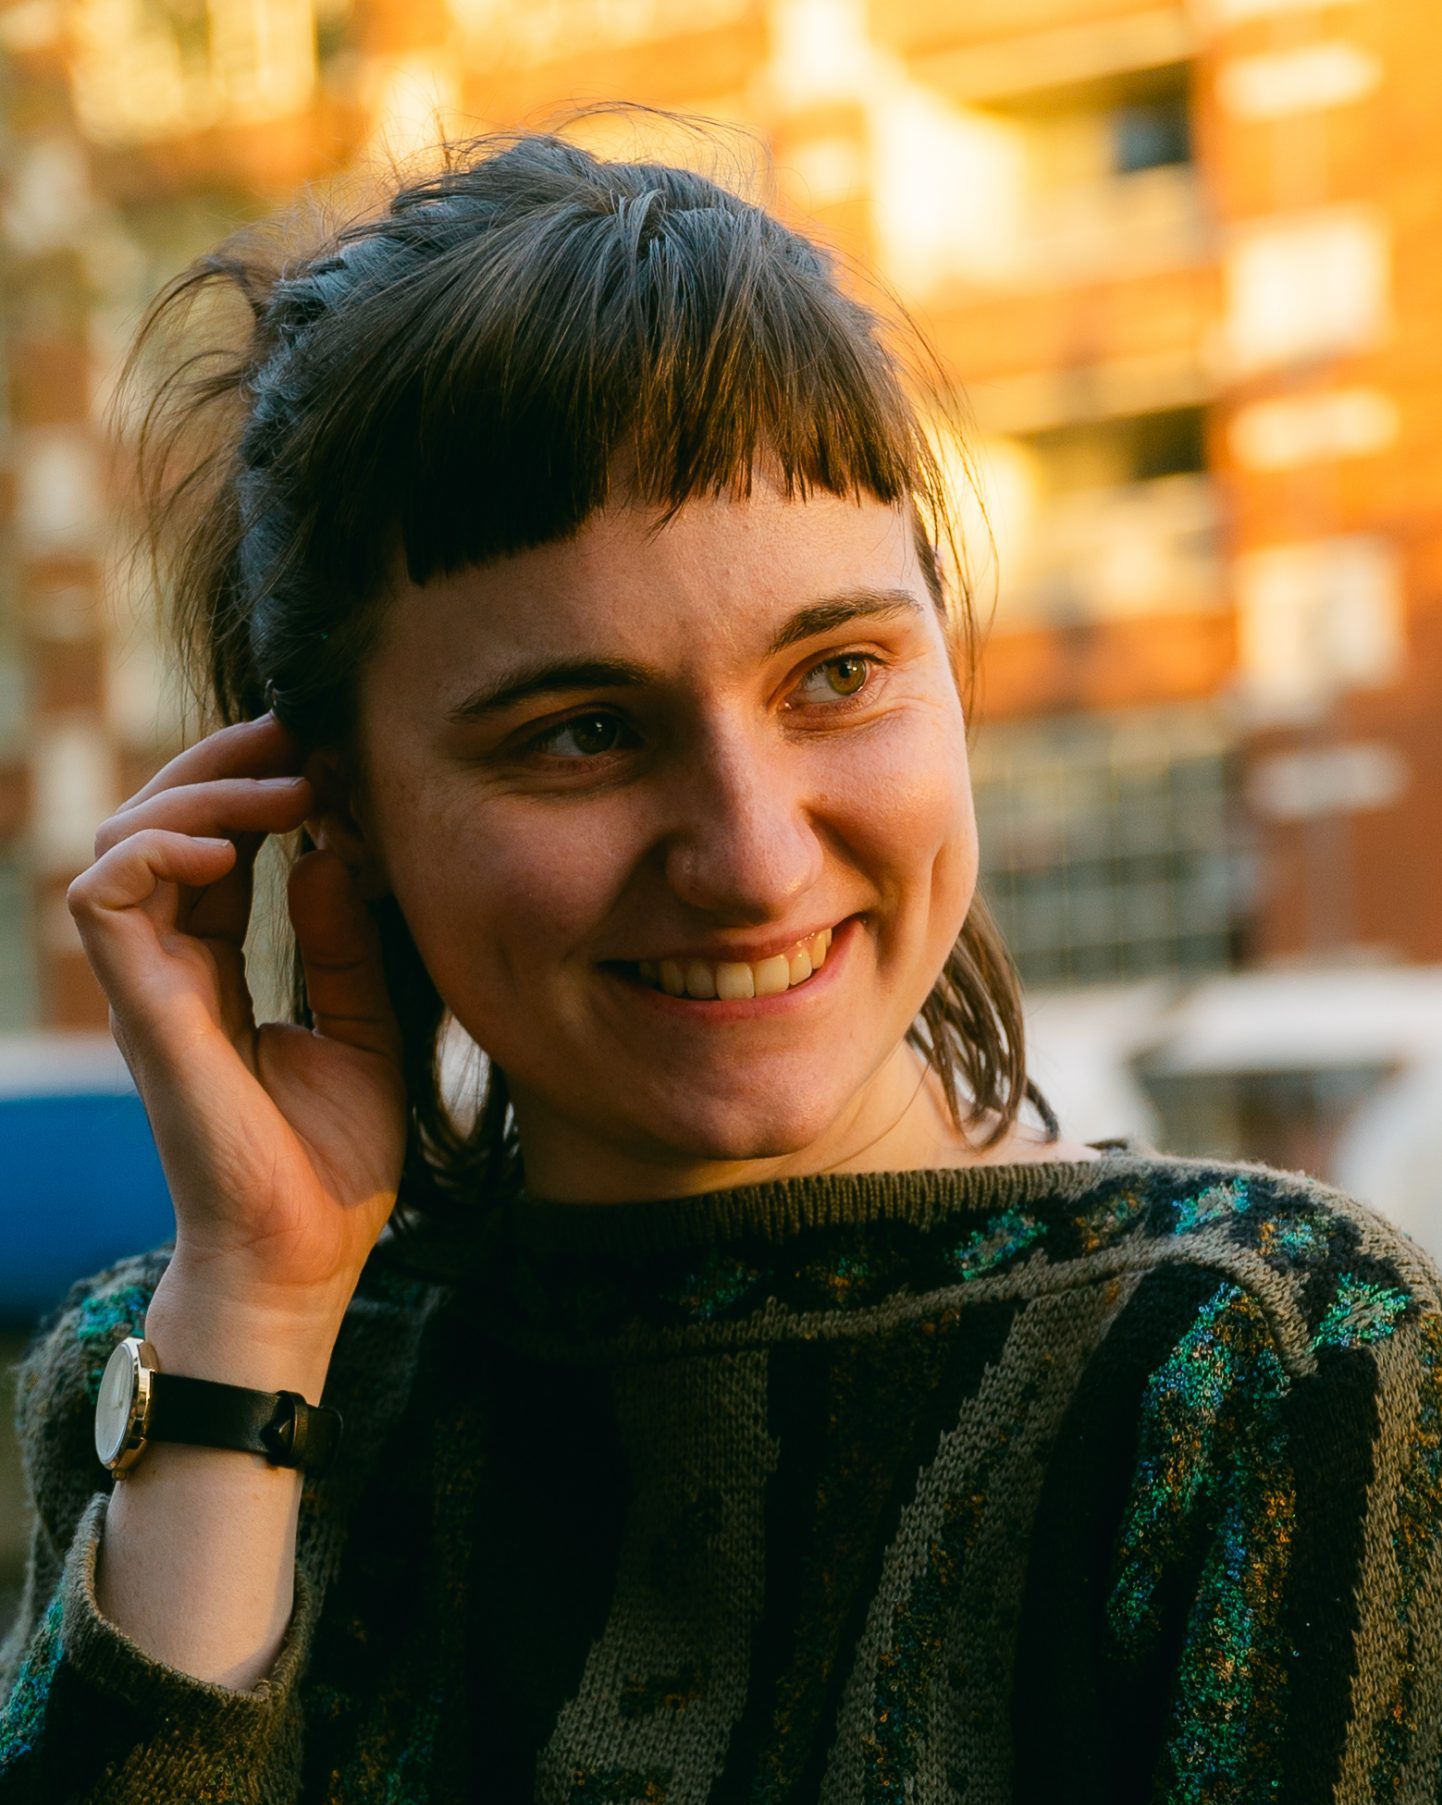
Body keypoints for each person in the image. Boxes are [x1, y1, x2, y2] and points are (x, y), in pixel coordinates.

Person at [2, 121, 1441, 1805]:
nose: (753, 857)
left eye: (836, 673)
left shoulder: (1260, 1363)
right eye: (585, 731)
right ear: (339, 812)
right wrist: (257, 1295)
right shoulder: (200, 1370)